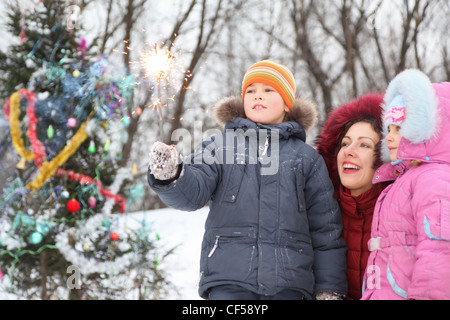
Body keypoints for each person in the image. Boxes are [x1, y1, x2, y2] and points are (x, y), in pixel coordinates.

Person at [147, 60, 347, 300]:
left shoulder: (307, 159)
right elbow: (194, 192)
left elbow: (325, 229)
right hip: (229, 280)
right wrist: (173, 174)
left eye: (268, 89)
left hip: (289, 285)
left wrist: (329, 288)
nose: (257, 96)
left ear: (286, 104)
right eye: (250, 90)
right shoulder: (221, 145)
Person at [361, 69, 450, 300]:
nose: (388, 137)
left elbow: (439, 248)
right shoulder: (402, 179)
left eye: (398, 128)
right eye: (388, 129)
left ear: (426, 128)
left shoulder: (434, 179)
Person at [315, 94, 391, 299]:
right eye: (345, 143)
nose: (349, 151)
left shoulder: (403, 213)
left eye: (364, 145)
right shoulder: (318, 213)